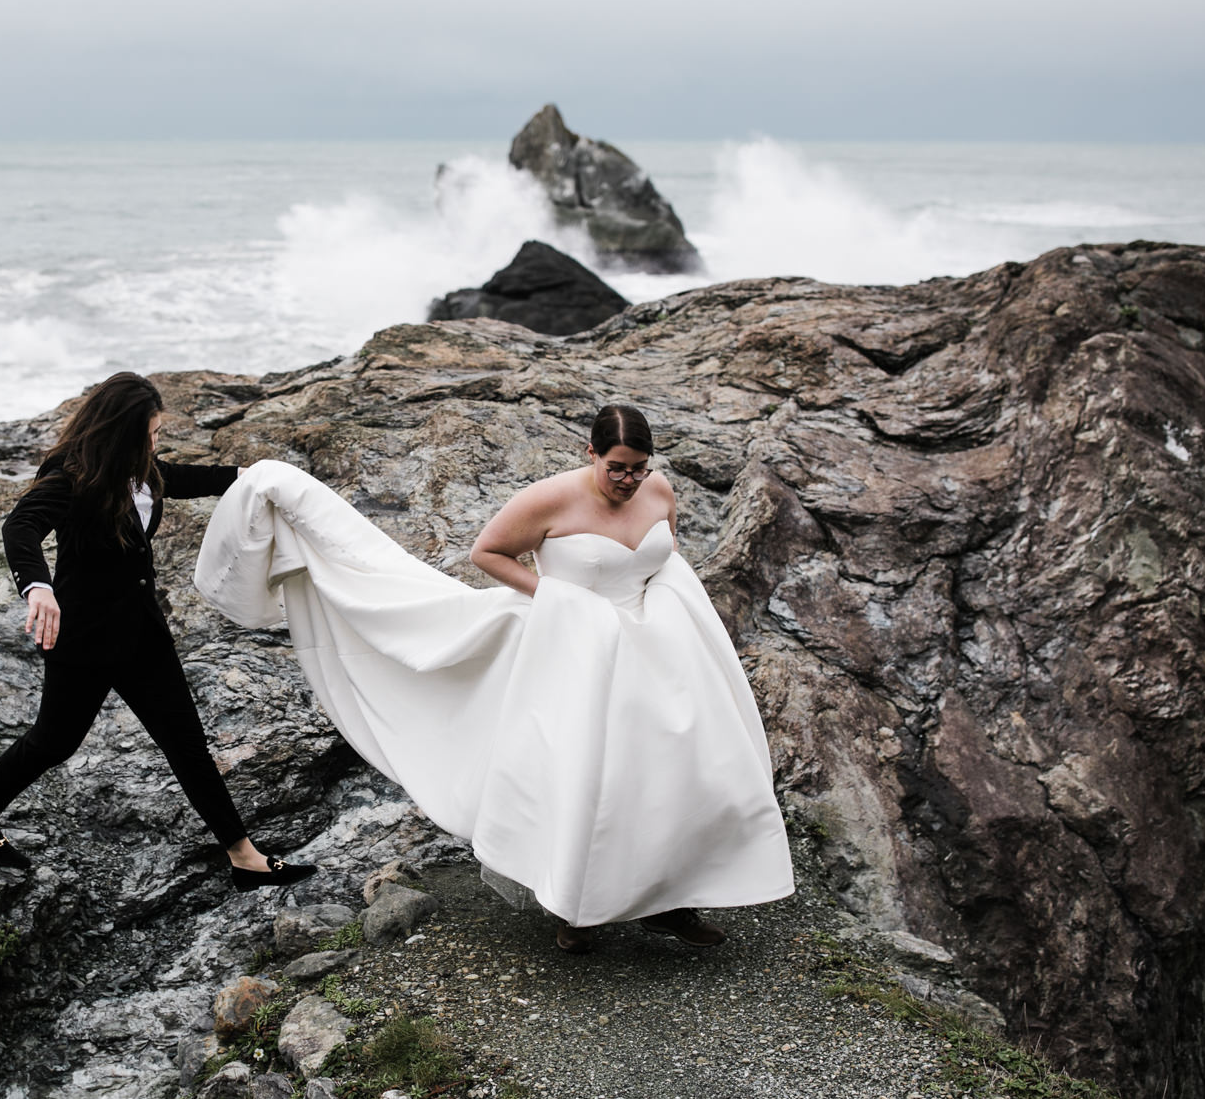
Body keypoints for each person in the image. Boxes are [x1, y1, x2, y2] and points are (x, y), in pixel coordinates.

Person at [193, 403, 792, 950]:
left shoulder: (658, 490)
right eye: (617, 468)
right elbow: (488, 553)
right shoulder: (550, 499)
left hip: (661, 643)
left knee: (676, 766)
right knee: (591, 770)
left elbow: (665, 551)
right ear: (591, 454)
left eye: (638, 468)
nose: (629, 481)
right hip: (580, 644)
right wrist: (560, 598)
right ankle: (578, 908)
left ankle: (670, 899)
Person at [0, 371, 316, 892]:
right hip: (84, 637)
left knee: (185, 741)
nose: (154, 442)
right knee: (55, 742)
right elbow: (21, 526)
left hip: (142, 630)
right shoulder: (72, 476)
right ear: (121, 432)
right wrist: (38, 587)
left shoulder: (143, 469)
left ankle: (244, 856)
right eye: (149, 433)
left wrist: (254, 476)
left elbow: (183, 478)